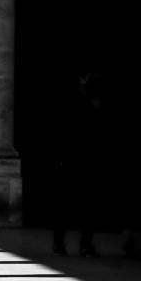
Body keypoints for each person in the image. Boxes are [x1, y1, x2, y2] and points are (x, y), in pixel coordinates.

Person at [50, 69, 109, 257]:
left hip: (80, 160)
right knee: (75, 205)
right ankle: (73, 243)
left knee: (76, 205)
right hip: (78, 160)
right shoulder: (80, 104)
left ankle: (73, 243)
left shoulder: (87, 104)